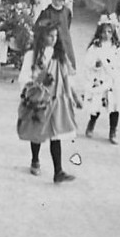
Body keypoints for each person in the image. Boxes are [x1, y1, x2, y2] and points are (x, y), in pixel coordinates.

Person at [17, 19, 80, 183]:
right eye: (50, 35)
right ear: (41, 36)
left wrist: (72, 96)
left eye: (56, 36)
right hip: (39, 101)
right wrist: (33, 86)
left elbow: (66, 78)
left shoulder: (59, 56)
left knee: (55, 135)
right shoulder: (32, 56)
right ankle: (35, 159)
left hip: (56, 101)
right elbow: (24, 77)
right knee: (37, 131)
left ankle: (58, 171)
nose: (53, 39)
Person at [82, 14, 120, 144]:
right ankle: (92, 122)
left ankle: (113, 131)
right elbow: (88, 61)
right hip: (100, 77)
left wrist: (118, 74)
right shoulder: (96, 47)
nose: (107, 35)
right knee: (97, 103)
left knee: (114, 106)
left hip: (113, 80)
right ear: (99, 32)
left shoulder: (116, 48)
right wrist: (95, 65)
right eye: (104, 32)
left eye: (110, 32)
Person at [35, 0, 76, 70]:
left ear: (63, 0)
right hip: (51, 41)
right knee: (48, 63)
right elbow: (39, 26)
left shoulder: (67, 11)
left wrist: (64, 34)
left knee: (66, 63)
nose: (57, 1)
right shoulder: (47, 12)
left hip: (64, 40)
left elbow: (67, 24)